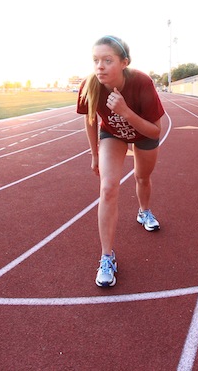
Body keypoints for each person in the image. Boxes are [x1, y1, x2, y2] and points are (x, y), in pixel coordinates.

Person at [77, 36, 165, 287]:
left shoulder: (142, 83)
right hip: (112, 135)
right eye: (96, 60)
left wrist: (125, 111)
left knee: (142, 177)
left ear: (124, 62)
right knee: (108, 188)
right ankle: (107, 257)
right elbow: (90, 119)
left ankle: (144, 211)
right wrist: (94, 153)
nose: (100, 66)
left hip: (143, 132)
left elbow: (154, 131)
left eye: (107, 60)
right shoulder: (90, 85)